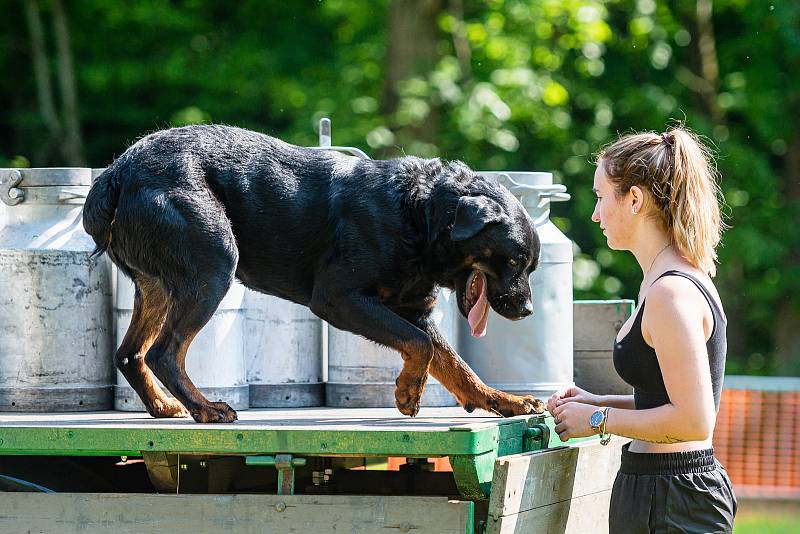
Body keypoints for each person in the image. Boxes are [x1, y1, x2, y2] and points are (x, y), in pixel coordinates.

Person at [547, 127, 737, 533]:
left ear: (634, 199)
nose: (595, 214)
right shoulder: (661, 280)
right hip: (657, 489)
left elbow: (693, 421)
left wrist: (597, 419)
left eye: (601, 197)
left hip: (674, 499)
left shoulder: (671, 292)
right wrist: (597, 401)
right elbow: (662, 399)